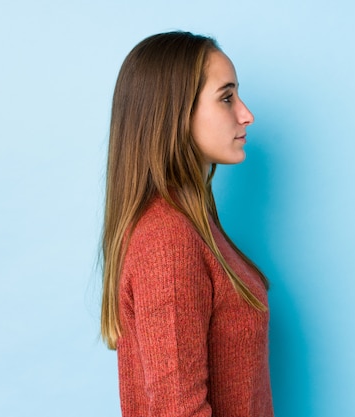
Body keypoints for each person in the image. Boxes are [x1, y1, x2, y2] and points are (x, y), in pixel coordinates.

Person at [100, 32, 274, 417]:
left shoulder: (193, 224)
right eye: (226, 98)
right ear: (174, 111)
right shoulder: (167, 238)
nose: (246, 114)